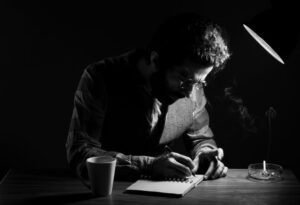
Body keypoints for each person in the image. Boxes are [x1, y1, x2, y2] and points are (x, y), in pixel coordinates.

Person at [66, 12, 231, 186]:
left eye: (199, 82)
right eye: (183, 77)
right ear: (155, 60)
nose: (190, 93)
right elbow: (80, 152)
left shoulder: (192, 88)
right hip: (104, 191)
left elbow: (200, 138)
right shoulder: (100, 77)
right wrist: (148, 165)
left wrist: (205, 154)